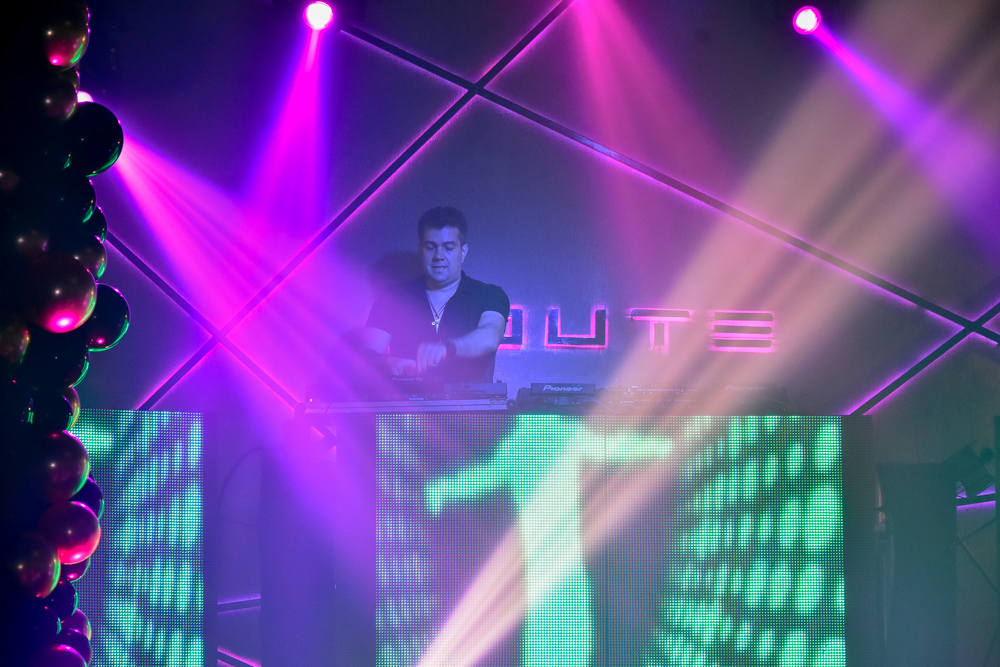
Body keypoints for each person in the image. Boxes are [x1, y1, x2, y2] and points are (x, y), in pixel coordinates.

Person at [362, 207, 509, 384]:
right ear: (420, 250)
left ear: (463, 252)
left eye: (448, 248)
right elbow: (367, 353)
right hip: (406, 402)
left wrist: (448, 347)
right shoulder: (394, 297)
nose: (439, 256)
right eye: (430, 247)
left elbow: (490, 336)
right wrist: (388, 362)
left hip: (471, 402)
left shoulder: (490, 294)